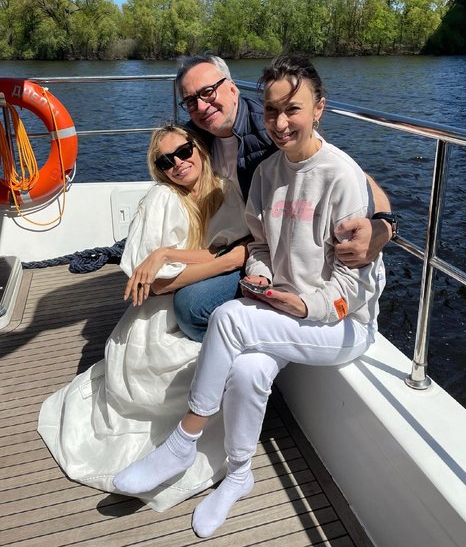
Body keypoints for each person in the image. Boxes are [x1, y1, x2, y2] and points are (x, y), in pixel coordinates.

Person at [113, 55, 386, 537]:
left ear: (319, 108)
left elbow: (358, 284)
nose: (280, 123)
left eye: (293, 110)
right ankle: (239, 474)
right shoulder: (266, 174)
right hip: (286, 308)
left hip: (343, 322)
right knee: (246, 370)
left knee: (228, 320)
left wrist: (310, 305)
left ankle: (182, 442)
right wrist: (260, 278)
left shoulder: (340, 176)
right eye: (273, 111)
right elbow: (259, 246)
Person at [37, 124, 251, 512]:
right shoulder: (162, 199)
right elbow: (158, 286)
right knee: (157, 357)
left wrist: (171, 254)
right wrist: (221, 260)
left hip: (197, 291)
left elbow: (228, 249)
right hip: (164, 306)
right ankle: (178, 445)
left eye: (183, 151)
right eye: (165, 161)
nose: (178, 163)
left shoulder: (226, 190)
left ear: (199, 148)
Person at [173, 53, 395, 342]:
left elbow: (346, 174)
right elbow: (164, 171)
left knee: (190, 307)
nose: (202, 106)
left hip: (257, 248)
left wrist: (385, 224)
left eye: (208, 92)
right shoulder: (194, 137)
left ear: (232, 88)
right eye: (191, 101)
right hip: (242, 245)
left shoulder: (272, 128)